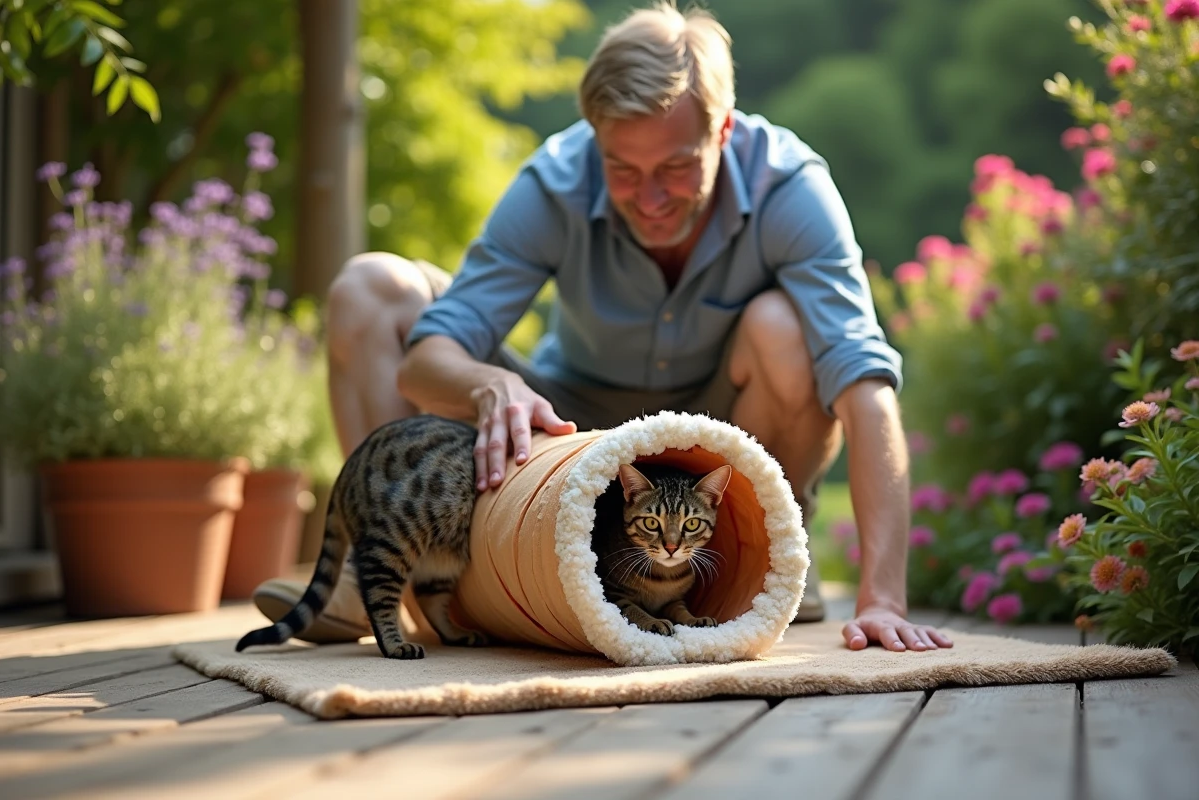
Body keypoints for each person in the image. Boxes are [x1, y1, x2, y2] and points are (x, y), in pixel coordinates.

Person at [254, 1, 953, 653]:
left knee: (785, 327)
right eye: (623, 169)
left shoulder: (790, 184)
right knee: (370, 288)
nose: (649, 199)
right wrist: (488, 381)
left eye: (677, 168)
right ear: (595, 139)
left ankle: (764, 557)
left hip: (721, 445)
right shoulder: (556, 178)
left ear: (724, 130)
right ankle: (388, 579)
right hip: (567, 420)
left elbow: (865, 386)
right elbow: (425, 358)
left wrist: (882, 597)